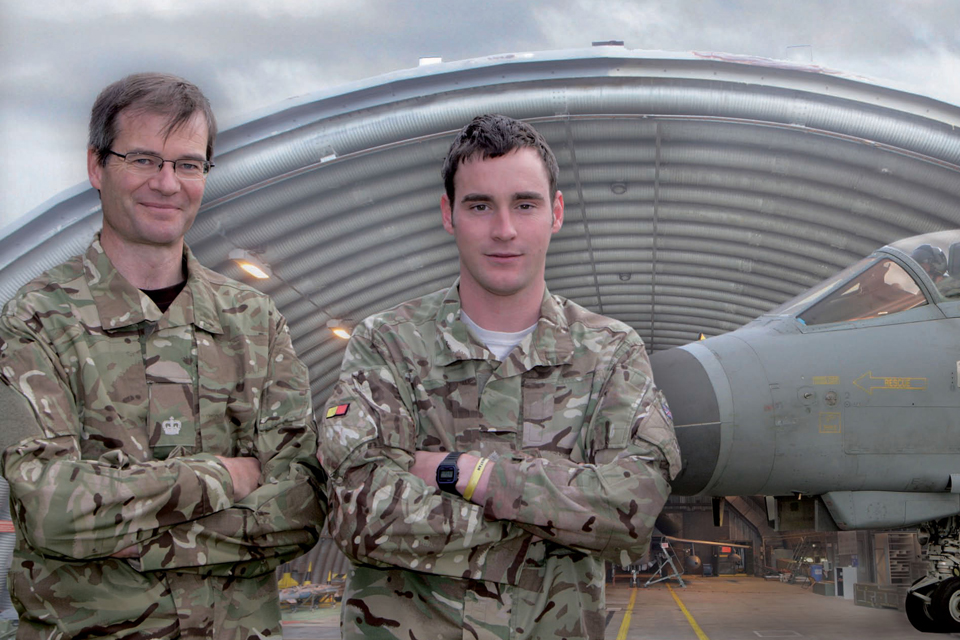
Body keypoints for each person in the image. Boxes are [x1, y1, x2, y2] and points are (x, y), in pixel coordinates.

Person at [319, 114, 680, 639]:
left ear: (555, 213)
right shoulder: (386, 345)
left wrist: (467, 475)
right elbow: (357, 514)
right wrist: (558, 524)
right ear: (449, 215)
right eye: (480, 205)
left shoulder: (611, 353)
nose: (504, 229)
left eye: (525, 204)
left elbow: (633, 507)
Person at [0, 72, 326, 639]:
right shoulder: (34, 321)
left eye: (188, 164)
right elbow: (53, 512)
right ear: (97, 166)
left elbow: (300, 508)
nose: (168, 184)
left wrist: (122, 536)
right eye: (145, 160)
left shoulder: (254, 322)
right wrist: (222, 475)